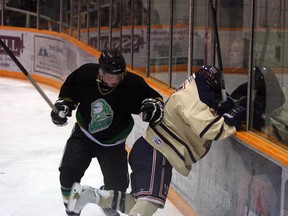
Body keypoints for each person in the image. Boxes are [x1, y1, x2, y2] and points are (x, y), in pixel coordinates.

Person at [66, 65, 247, 216]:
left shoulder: (195, 88)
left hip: (151, 150)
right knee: (147, 205)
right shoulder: (193, 100)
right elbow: (212, 129)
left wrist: (227, 106)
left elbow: (212, 107)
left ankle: (91, 195)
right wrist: (234, 115)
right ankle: (91, 196)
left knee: (138, 202)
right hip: (157, 151)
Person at [50, 48, 164, 216]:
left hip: (113, 144)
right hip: (84, 136)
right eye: (111, 75)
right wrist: (62, 107)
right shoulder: (86, 74)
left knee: (118, 189)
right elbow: (68, 94)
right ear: (100, 72)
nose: (115, 80)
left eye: (118, 76)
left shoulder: (131, 84)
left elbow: (155, 99)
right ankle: (72, 211)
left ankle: (105, 201)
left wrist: (152, 107)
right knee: (67, 175)